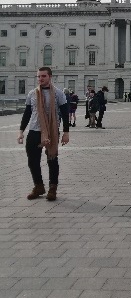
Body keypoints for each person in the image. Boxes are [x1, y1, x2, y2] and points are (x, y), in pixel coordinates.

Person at [17, 66, 70, 201]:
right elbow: (27, 113)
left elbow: (65, 113)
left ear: (50, 77)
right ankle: (39, 186)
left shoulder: (58, 93)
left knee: (52, 159)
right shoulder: (32, 94)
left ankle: (53, 188)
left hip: (52, 130)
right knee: (32, 160)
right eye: (39, 76)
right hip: (34, 130)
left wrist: (66, 132)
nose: (40, 79)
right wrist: (21, 131)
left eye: (43, 76)